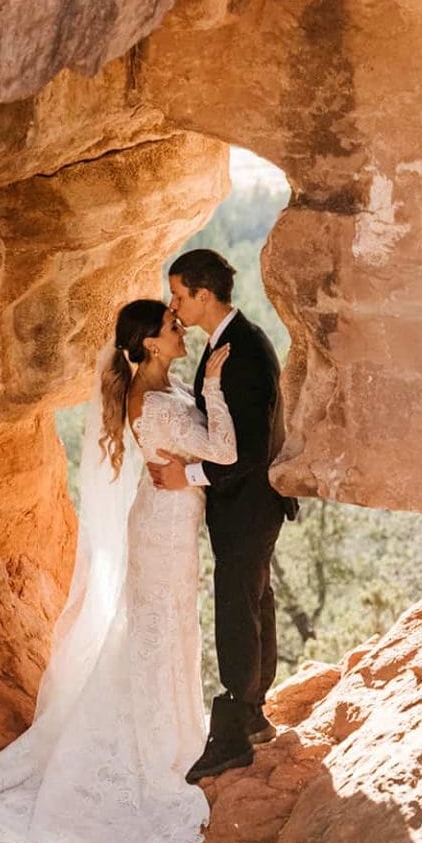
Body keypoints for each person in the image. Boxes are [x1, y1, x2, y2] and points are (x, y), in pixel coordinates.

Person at [0, 299, 238, 843]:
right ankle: (158, 750)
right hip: (163, 531)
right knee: (158, 630)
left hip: (165, 520)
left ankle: (172, 733)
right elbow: (224, 449)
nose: (183, 329)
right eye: (172, 326)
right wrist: (218, 386)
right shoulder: (154, 404)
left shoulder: (157, 388)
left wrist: (197, 386)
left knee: (162, 629)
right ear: (151, 344)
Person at [149, 248, 295, 782]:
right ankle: (252, 715)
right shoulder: (232, 342)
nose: (175, 305)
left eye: (180, 295)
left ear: (204, 296)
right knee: (255, 599)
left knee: (238, 604)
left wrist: (186, 477)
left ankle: (234, 733)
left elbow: (250, 450)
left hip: (250, 501)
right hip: (249, 502)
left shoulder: (243, 352)